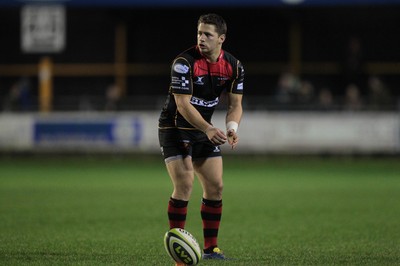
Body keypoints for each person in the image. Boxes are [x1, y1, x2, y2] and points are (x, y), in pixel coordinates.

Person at [158, 13, 244, 263]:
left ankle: (211, 248)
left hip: (202, 128)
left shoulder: (234, 66)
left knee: (216, 186)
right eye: (199, 33)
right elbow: (183, 106)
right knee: (184, 185)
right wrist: (208, 128)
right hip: (175, 128)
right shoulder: (184, 63)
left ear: (221, 39)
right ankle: (178, 253)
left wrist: (231, 128)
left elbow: (235, 104)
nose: (201, 38)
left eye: (207, 34)